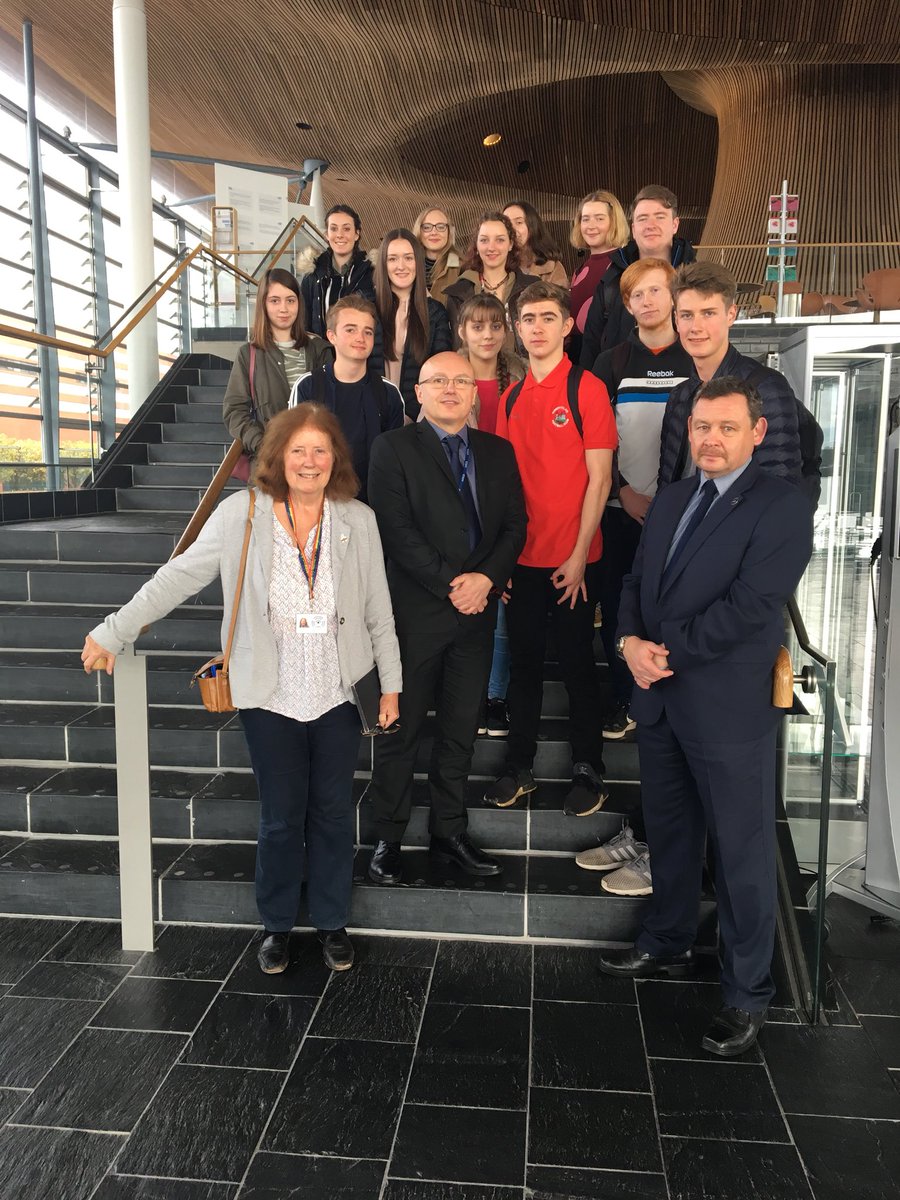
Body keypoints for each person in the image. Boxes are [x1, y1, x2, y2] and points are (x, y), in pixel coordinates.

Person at [80, 406, 402, 976]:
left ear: (336, 460)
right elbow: (178, 575)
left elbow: (379, 609)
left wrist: (390, 686)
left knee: (331, 813)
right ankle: (276, 926)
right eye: (298, 451)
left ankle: (331, 922)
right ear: (276, 457)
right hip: (268, 693)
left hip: (337, 690)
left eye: (321, 451)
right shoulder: (242, 514)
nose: (309, 462)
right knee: (281, 817)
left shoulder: (357, 519)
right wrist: (115, 628)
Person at [600, 377, 814, 1057]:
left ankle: (747, 993)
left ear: (756, 432)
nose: (711, 440)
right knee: (670, 832)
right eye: (701, 428)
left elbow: (752, 608)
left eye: (726, 428)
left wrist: (662, 653)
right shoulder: (672, 497)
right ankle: (665, 941)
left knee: (742, 854)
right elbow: (636, 581)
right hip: (661, 698)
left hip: (725, 708)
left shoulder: (781, 506)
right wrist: (628, 642)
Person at [366, 351, 527, 886]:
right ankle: (386, 839)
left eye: (462, 380)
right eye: (439, 381)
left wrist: (487, 581)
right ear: (419, 392)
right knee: (401, 732)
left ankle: (448, 832)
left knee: (459, 732)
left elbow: (513, 526)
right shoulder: (392, 448)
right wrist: (453, 584)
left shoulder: (498, 452)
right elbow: (395, 528)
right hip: (413, 617)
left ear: (474, 391)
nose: (451, 389)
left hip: (476, 616)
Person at [487, 283, 617, 816]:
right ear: (517, 329)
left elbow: (601, 480)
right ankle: (521, 766)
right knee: (522, 667)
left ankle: (589, 767)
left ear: (567, 325)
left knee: (578, 667)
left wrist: (579, 553)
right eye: (527, 318)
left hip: (573, 561)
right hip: (522, 559)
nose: (537, 327)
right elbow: (501, 486)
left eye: (547, 317)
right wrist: (502, 560)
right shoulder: (512, 396)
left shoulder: (586, 389)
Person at [590, 259, 692, 740]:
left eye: (656, 291)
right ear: (627, 305)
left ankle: (669, 694)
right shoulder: (612, 362)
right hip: (620, 509)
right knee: (617, 607)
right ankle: (620, 697)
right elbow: (595, 440)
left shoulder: (694, 359)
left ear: (673, 297)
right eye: (637, 294)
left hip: (686, 512)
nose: (647, 301)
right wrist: (621, 491)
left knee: (674, 605)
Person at [658, 261, 821, 504]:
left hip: (740, 536)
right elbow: (670, 480)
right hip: (687, 531)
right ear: (676, 320)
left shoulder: (767, 388)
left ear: (731, 314)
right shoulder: (680, 395)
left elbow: (779, 492)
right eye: (687, 315)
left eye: (709, 313)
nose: (696, 327)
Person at [455, 293, 526, 736]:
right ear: (462, 330)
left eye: (495, 326)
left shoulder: (519, 372)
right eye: (477, 326)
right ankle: (466, 695)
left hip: (511, 499)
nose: (487, 335)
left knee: (501, 605)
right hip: (462, 504)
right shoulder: (449, 371)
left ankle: (495, 698)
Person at [290, 297, 404, 502]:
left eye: (367, 331)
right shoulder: (307, 387)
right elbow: (296, 451)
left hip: (373, 504)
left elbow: (394, 461)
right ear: (331, 336)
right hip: (319, 501)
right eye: (350, 330)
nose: (360, 337)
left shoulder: (389, 393)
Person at [579, 185, 696, 367]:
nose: (650, 225)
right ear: (633, 229)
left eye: (659, 217)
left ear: (675, 225)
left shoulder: (695, 279)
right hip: (621, 386)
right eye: (642, 219)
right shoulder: (612, 280)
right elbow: (591, 343)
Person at [222, 268, 331, 460]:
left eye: (290, 300)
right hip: (271, 464)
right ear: (263, 304)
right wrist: (263, 445)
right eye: (275, 300)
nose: (284, 308)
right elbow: (235, 411)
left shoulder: (320, 350)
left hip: (315, 462)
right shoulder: (249, 354)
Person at [368, 229, 453, 419]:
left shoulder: (435, 313)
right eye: (392, 259)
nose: (401, 266)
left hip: (416, 419)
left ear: (418, 262)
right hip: (371, 415)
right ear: (383, 264)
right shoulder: (366, 308)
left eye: (408, 258)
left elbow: (439, 371)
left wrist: (415, 416)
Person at [443, 212, 540, 354]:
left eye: (500, 240)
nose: (491, 247)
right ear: (477, 245)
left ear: (510, 244)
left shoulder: (532, 288)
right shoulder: (458, 293)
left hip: (523, 372)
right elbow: (458, 347)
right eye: (484, 240)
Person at [568, 190, 629, 365]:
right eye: (585, 219)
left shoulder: (623, 266)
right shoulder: (580, 269)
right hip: (576, 359)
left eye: (599, 218)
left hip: (605, 360)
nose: (591, 225)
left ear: (614, 222)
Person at [300, 204, 375, 337]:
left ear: (357, 234)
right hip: (321, 355)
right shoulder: (312, 274)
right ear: (326, 235)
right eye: (333, 229)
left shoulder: (371, 273)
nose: (339, 235)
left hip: (360, 352)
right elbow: (305, 323)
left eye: (346, 229)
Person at [503, 200, 569, 287]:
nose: (512, 229)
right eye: (507, 224)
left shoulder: (552, 267)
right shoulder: (496, 264)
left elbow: (560, 299)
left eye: (519, 222)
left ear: (532, 226)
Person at [413, 206, 461, 306]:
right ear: (419, 231)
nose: (434, 232)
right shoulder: (408, 264)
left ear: (449, 231)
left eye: (440, 227)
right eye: (427, 227)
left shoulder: (462, 267)